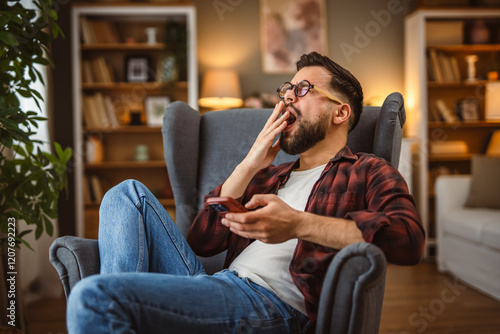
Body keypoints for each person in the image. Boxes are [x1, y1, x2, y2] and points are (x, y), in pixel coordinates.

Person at [66, 52, 425, 334]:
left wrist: (298, 224)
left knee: (94, 295)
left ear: (340, 112)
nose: (286, 101)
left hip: (271, 308)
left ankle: (118, 305)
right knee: (126, 193)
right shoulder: (271, 177)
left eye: (302, 90)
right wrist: (250, 162)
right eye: (286, 91)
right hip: (216, 288)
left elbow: (408, 240)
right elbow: (201, 242)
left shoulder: (367, 171)